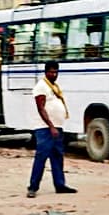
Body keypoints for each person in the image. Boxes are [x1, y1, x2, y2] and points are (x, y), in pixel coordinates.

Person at [28, 59, 77, 198]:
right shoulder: (41, 87)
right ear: (46, 72)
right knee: (41, 157)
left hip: (57, 127)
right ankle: (33, 187)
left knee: (57, 157)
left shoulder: (54, 87)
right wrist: (51, 126)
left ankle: (60, 185)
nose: (54, 74)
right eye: (51, 72)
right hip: (45, 128)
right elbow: (41, 108)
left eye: (56, 72)